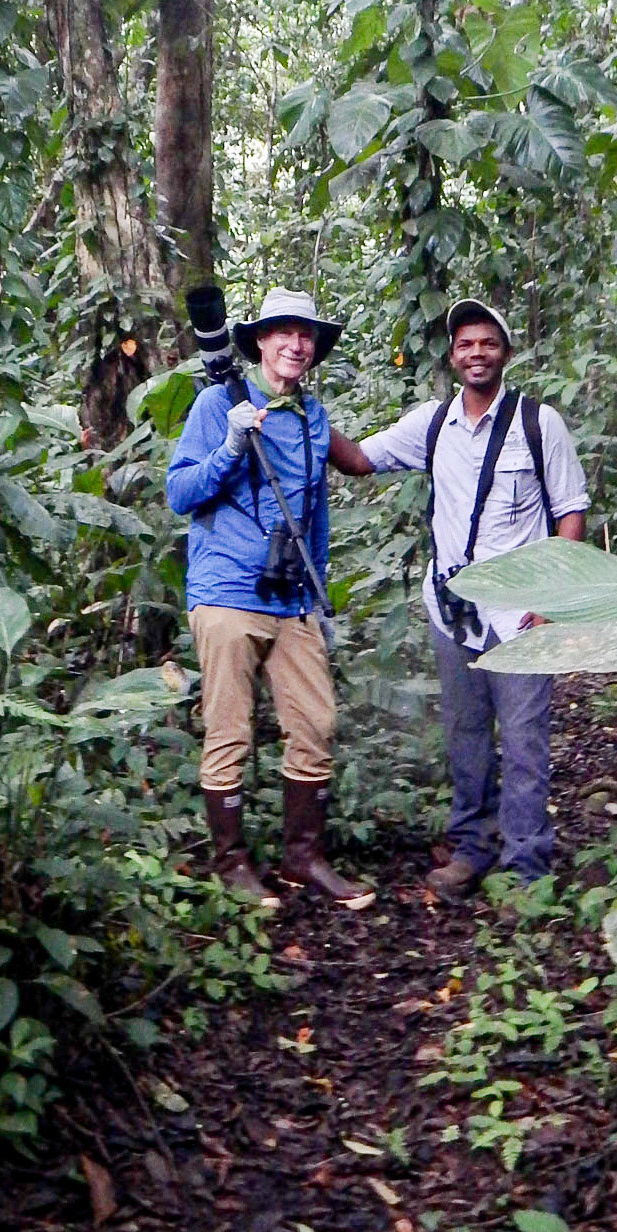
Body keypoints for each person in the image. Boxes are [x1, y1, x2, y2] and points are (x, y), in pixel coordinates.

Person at [330, 299, 588, 900]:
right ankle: (471, 848)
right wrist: (301, 415)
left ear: (506, 352)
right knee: (466, 735)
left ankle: (526, 869)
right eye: (466, 344)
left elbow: (571, 510)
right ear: (452, 356)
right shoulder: (433, 424)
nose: (477, 353)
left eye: (488, 343)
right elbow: (363, 460)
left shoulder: (537, 423)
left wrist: (554, 598)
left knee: (524, 741)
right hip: (453, 610)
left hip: (520, 613)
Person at [167, 287, 375, 912]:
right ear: (259, 341)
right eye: (283, 331)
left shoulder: (314, 418)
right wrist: (230, 447)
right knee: (229, 730)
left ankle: (302, 856)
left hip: (292, 599)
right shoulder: (216, 403)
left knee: (316, 723)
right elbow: (181, 494)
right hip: (227, 590)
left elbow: (315, 516)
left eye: (306, 334)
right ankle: (231, 862)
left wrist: (319, 593)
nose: (296, 343)